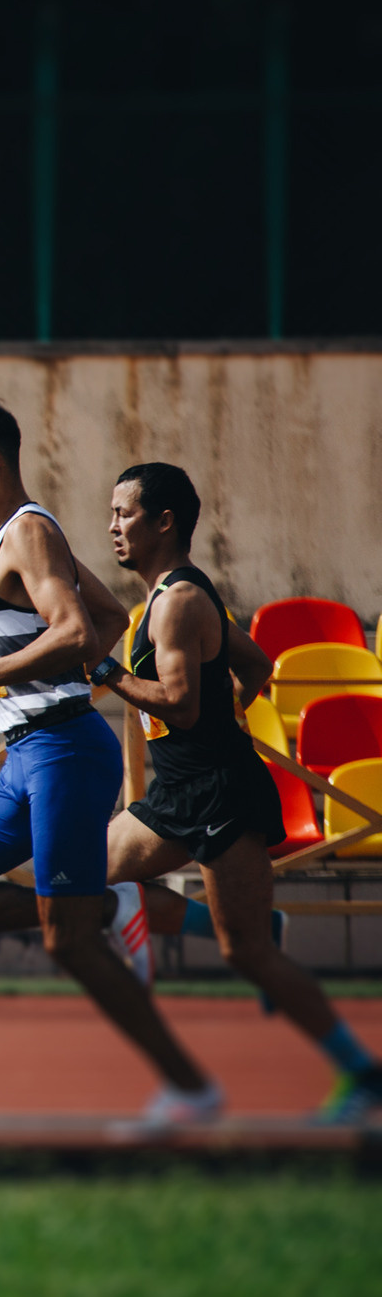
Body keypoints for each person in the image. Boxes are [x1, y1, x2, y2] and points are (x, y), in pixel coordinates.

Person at [0, 401, 221, 1129]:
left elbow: (73, 627)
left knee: (65, 939)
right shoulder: (7, 539)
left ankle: (189, 1087)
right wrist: (78, 668)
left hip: (65, 752)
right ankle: (117, 905)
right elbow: (105, 620)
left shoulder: (31, 532)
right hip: (27, 758)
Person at [94, 462, 382, 1123]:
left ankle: (363, 1071)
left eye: (124, 513)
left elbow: (181, 706)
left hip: (220, 794)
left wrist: (108, 671)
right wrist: (232, 714)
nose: (112, 526)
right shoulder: (169, 599)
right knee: (85, 870)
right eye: (110, 513)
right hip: (180, 789)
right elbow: (255, 664)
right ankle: (179, 928)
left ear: (163, 521)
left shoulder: (179, 603)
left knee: (246, 952)